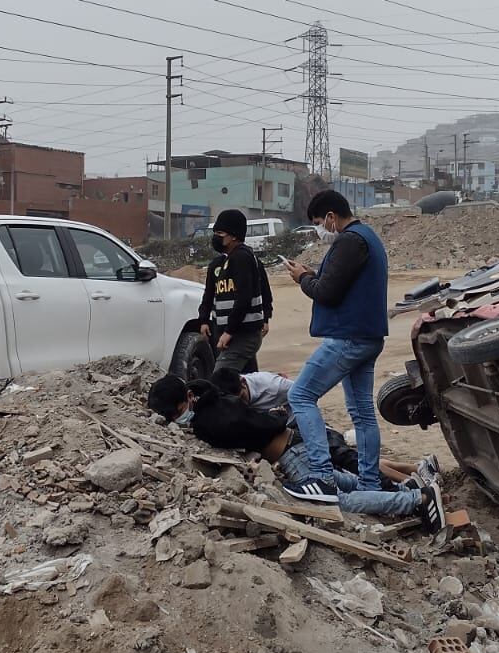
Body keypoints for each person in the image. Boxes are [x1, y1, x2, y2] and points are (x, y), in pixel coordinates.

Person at [146, 374, 442, 528]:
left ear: (188, 397)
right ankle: (405, 488)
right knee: (340, 479)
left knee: (337, 501)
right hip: (298, 444)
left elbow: (255, 428)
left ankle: (416, 500)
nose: (178, 419)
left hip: (292, 454)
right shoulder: (213, 397)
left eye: (178, 412)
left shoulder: (210, 420)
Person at [279, 190, 390, 505]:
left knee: (300, 395)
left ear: (331, 216)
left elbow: (326, 293)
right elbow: (338, 283)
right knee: (362, 413)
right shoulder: (366, 238)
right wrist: (311, 275)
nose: (319, 229)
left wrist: (303, 279)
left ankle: (322, 477)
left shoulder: (349, 240)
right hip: (367, 336)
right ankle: (369, 483)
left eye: (318, 222)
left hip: (349, 337)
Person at [207, 367, 438, 489]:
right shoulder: (232, 398)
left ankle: (411, 482)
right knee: (352, 461)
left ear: (243, 383)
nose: (243, 403)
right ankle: (417, 468)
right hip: (294, 436)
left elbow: (307, 394)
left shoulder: (272, 385)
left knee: (352, 462)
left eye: (243, 397)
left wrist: (292, 419)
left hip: (309, 429)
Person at [197, 209, 271, 374]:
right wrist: (203, 319)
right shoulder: (220, 263)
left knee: (222, 378)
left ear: (234, 236)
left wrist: (229, 331)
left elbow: (245, 297)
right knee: (246, 380)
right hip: (229, 332)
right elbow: (210, 295)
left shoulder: (242, 258)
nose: (216, 237)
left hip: (241, 333)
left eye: (220, 233)